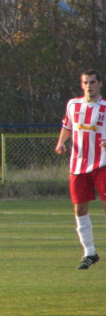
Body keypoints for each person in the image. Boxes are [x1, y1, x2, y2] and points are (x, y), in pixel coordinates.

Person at [55, 68, 106, 270]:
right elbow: (68, 126)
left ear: (100, 84)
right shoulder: (73, 104)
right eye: (85, 82)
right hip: (78, 165)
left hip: (102, 164)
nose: (89, 86)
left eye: (92, 82)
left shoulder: (104, 107)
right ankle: (89, 252)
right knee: (79, 208)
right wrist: (60, 143)